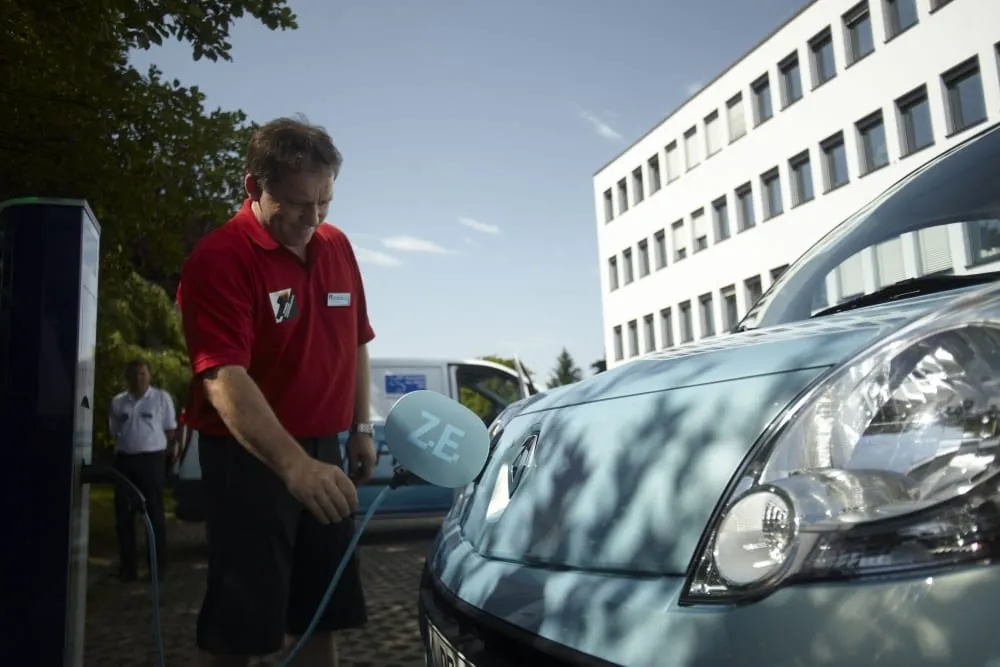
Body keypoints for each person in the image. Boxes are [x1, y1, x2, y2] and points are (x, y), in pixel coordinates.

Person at [177, 116, 378, 667]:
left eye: (325, 203)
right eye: (295, 203)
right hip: (249, 458)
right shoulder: (218, 259)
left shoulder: (337, 246)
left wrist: (359, 428)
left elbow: (358, 339)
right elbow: (222, 376)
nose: (312, 220)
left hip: (323, 449)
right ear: (253, 187)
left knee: (321, 612)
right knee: (244, 629)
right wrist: (293, 466)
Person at [107, 357, 177, 581]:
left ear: (150, 376)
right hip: (125, 462)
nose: (138, 379)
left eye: (142, 374)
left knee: (154, 514)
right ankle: (128, 569)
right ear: (127, 377)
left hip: (151, 462)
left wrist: (162, 456)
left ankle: (157, 569)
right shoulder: (118, 402)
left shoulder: (160, 398)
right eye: (134, 374)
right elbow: (115, 432)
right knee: (123, 516)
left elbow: (170, 430)